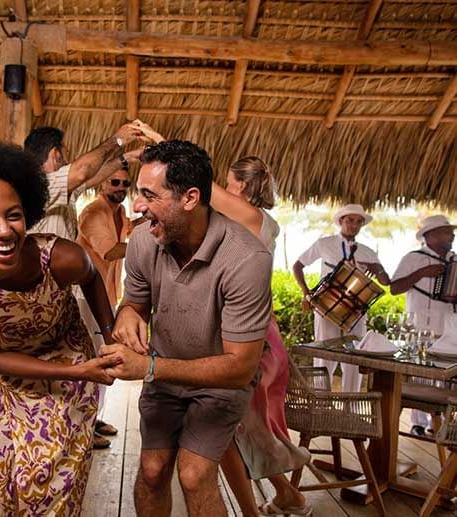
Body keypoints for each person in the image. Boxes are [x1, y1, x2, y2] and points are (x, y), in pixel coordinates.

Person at [0, 138, 121, 515]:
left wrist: (109, 339)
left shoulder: (60, 258)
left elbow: (93, 277)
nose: (4, 230)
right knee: (13, 486)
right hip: (7, 376)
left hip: (70, 369)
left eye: (13, 215)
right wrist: (82, 370)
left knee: (49, 484)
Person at [100, 140, 273, 517]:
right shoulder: (145, 240)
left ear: (191, 198)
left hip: (221, 381)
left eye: (149, 195)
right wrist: (128, 312)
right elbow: (135, 302)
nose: (137, 206)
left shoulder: (246, 259)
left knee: (194, 474)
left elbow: (240, 367)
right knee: (152, 469)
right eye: (136, 193)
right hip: (165, 376)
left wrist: (147, 368)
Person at [24, 124, 146, 448]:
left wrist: (126, 155)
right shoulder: (36, 186)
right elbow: (81, 173)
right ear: (55, 154)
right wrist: (118, 138)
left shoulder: (60, 194)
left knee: (76, 363)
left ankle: (76, 425)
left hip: (63, 297)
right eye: (63, 155)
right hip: (43, 299)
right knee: (64, 368)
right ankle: (64, 432)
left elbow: (90, 177)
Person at [210, 156, 310, 517]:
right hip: (260, 331)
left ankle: (272, 502)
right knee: (244, 428)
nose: (224, 187)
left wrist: (161, 144)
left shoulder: (252, 219)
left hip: (254, 337)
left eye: (228, 181)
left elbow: (202, 185)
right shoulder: (252, 222)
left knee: (235, 428)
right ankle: (286, 496)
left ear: (240, 186)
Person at [292, 204, 390, 392]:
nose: (354, 225)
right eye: (349, 220)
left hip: (356, 311)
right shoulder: (324, 243)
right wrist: (307, 293)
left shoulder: (368, 251)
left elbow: (386, 281)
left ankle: (350, 405)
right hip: (327, 307)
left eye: (358, 222)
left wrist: (377, 269)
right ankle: (320, 403)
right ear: (341, 221)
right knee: (324, 354)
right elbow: (297, 266)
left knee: (355, 356)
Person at [391, 214, 457, 437]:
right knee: (418, 374)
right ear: (431, 236)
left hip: (447, 326)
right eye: (448, 232)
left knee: (444, 375)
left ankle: (439, 424)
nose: (452, 235)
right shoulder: (413, 258)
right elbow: (395, 287)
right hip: (419, 324)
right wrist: (422, 273)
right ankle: (417, 423)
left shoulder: (454, 260)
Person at [77, 167, 132, 310]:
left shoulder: (121, 211)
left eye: (126, 183)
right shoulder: (92, 213)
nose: (121, 187)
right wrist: (148, 248)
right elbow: (110, 251)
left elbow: (127, 228)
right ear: (103, 183)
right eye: (115, 182)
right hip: (87, 295)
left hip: (109, 294)